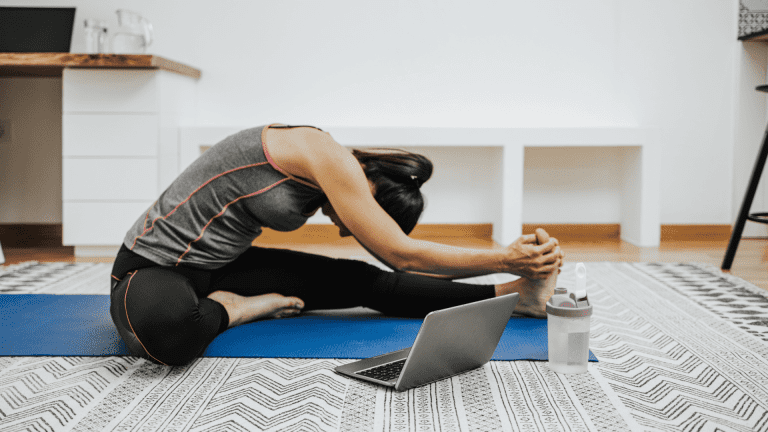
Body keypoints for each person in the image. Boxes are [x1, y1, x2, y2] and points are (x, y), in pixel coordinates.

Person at [110, 124, 564, 366]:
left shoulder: (330, 168)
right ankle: (237, 309)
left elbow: (397, 260)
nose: (349, 230)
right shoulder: (329, 156)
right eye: (362, 220)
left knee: (366, 282)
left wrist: (511, 277)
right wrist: (506, 256)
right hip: (152, 266)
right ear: (369, 188)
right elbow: (402, 252)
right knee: (170, 337)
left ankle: (514, 300)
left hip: (223, 265)